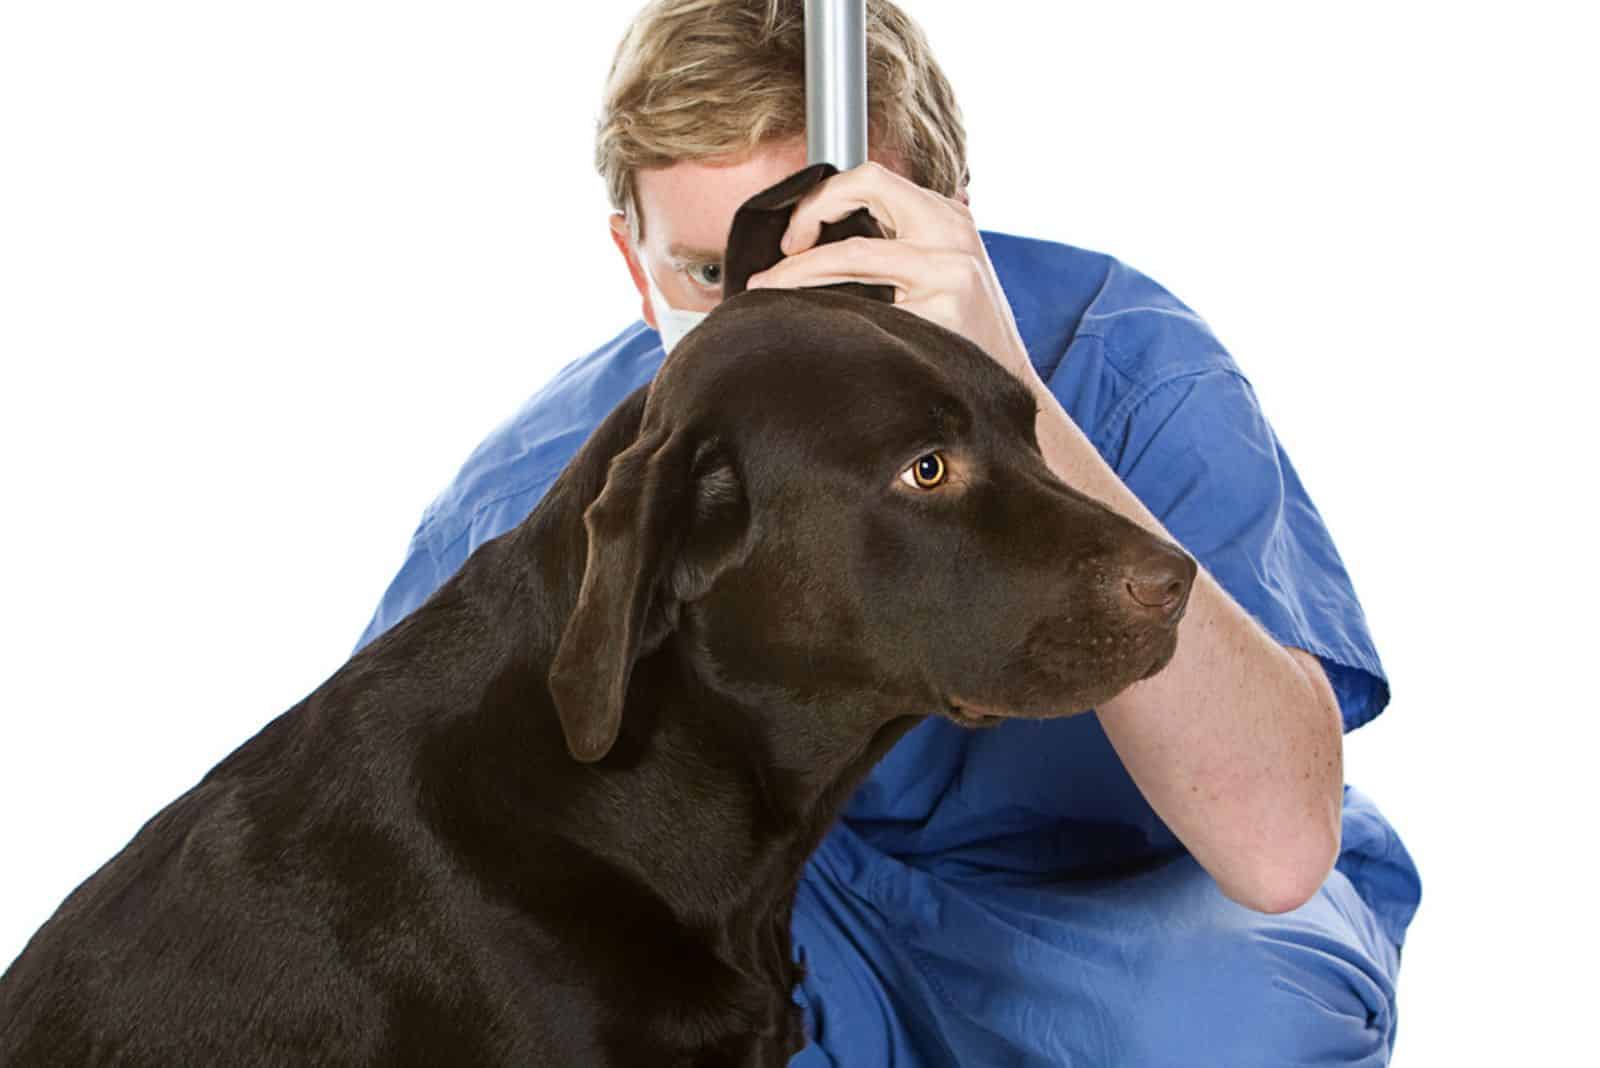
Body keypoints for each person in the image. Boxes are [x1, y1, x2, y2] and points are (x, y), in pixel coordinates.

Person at [354, 1, 1421, 1063]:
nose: (775, 321)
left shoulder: (1125, 365)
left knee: (1241, 1026)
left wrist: (1009, 396)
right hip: (793, 925)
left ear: (947, 216)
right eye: (714, 276)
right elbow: (404, 879)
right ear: (636, 267)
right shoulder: (535, 499)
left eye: (835, 249)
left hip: (1126, 910)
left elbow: (1276, 850)